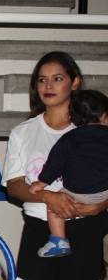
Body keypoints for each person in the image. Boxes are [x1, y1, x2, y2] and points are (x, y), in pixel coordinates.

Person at [2, 51, 108, 280]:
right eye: (42, 80)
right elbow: (14, 186)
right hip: (38, 230)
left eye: (57, 79)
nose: (48, 86)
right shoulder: (23, 132)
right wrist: (48, 197)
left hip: (86, 228)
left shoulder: (95, 129)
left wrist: (100, 205)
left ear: (75, 82)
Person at [29, 90, 108, 257]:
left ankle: (59, 240)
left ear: (72, 118)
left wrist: (42, 182)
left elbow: (55, 164)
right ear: (104, 116)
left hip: (77, 193)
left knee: (54, 207)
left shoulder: (69, 138)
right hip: (105, 192)